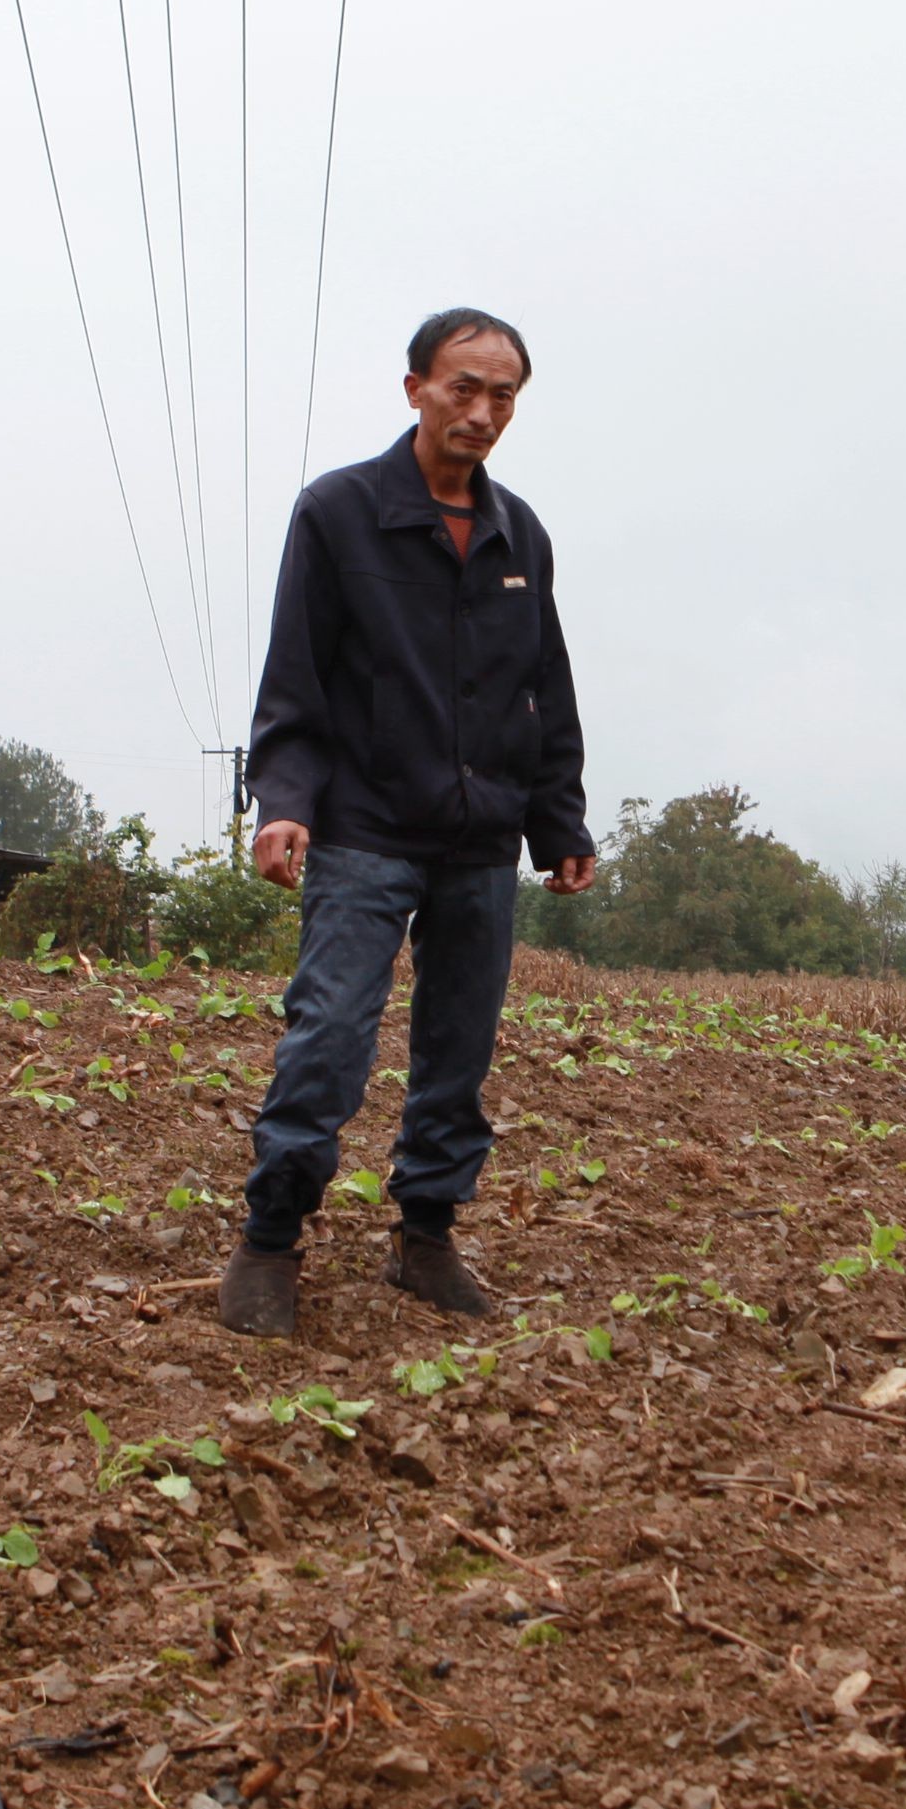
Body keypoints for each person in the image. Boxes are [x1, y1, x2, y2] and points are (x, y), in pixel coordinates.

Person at [219, 307, 598, 1338]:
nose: (482, 412)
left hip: (480, 837)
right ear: (415, 389)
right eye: (463, 388)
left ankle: (424, 1238)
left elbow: (544, 689)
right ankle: (269, 1240)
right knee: (330, 1037)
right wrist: (285, 804)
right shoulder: (339, 513)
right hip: (366, 829)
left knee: (457, 1054)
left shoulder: (522, 536)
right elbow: (293, 682)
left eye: (503, 395)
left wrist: (557, 820)